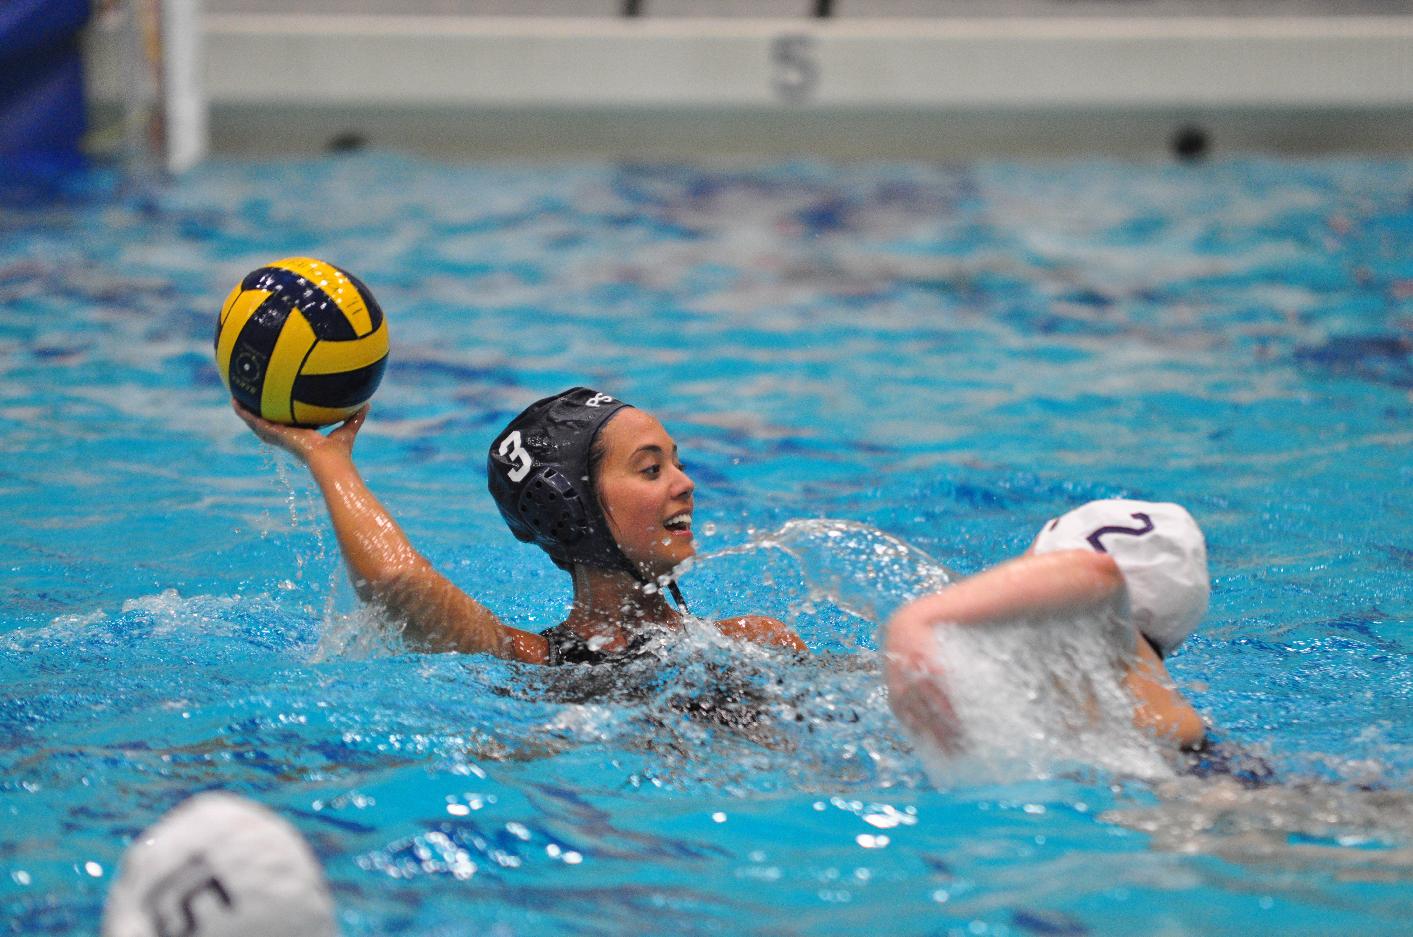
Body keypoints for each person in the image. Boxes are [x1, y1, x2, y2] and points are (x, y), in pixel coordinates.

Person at [233, 387, 1203, 750]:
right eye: (650, 468)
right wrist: (329, 459)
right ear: (579, 505)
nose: (686, 485)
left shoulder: (755, 638)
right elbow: (400, 586)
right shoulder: (530, 666)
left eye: (679, 461)